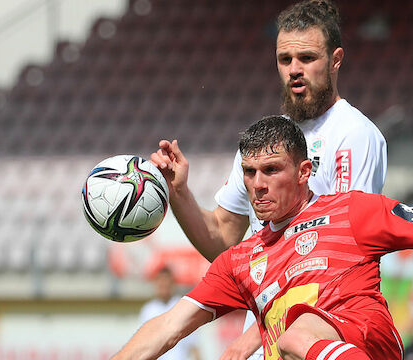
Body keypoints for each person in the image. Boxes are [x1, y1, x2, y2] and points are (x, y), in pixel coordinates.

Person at [113, 116, 413, 360]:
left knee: (294, 335)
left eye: (272, 171)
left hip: (367, 345)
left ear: (305, 172)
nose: (258, 185)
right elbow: (168, 325)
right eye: (250, 173)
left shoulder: (352, 211)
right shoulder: (241, 261)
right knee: (291, 339)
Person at [151, 1, 387, 358]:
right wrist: (179, 192)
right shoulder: (265, 146)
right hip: (269, 337)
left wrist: (249, 341)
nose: (294, 69)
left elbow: (342, 257)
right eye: (285, 59)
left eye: (307, 58)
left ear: (336, 60)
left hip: (322, 337)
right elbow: (223, 241)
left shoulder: (354, 134)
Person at [138, 266, 201, 360]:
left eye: (166, 281)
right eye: (161, 281)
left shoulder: (183, 306)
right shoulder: (148, 310)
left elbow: (193, 345)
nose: (163, 284)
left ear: (172, 283)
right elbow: (141, 345)